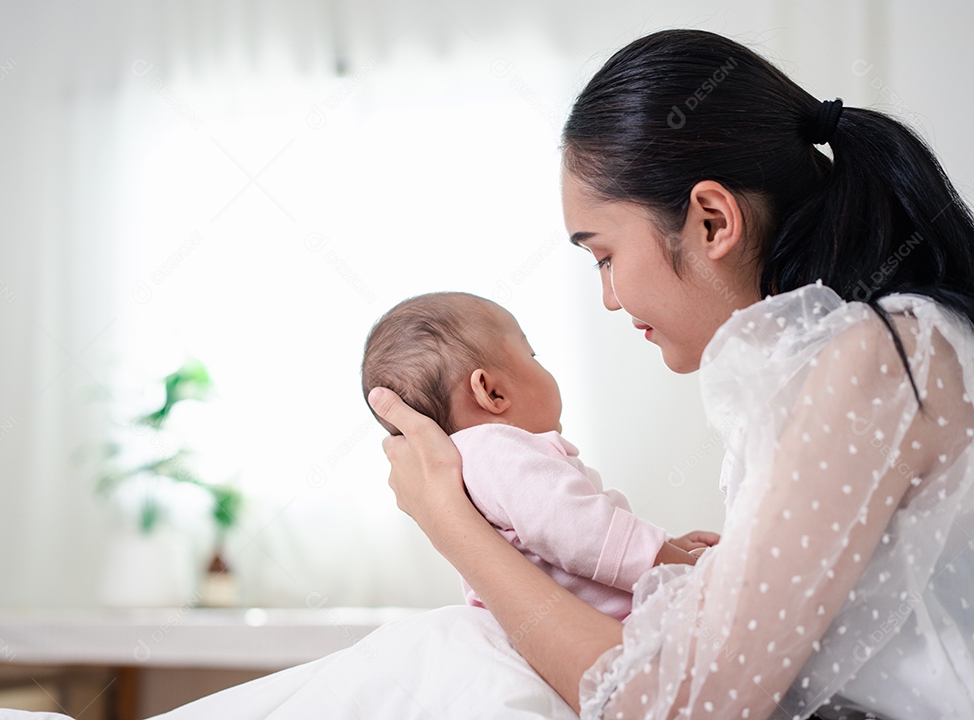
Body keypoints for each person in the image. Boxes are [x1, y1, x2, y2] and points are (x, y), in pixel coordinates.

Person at [370, 28, 974, 720]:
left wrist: (452, 525)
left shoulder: (872, 362)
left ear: (713, 220)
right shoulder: (851, 357)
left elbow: (678, 709)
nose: (610, 296)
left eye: (603, 255)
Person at [360, 291, 718, 621]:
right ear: (492, 392)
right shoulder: (495, 450)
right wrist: (682, 567)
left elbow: (567, 546)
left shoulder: (475, 464)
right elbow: (581, 530)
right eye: (532, 355)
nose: (541, 366)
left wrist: (666, 546)